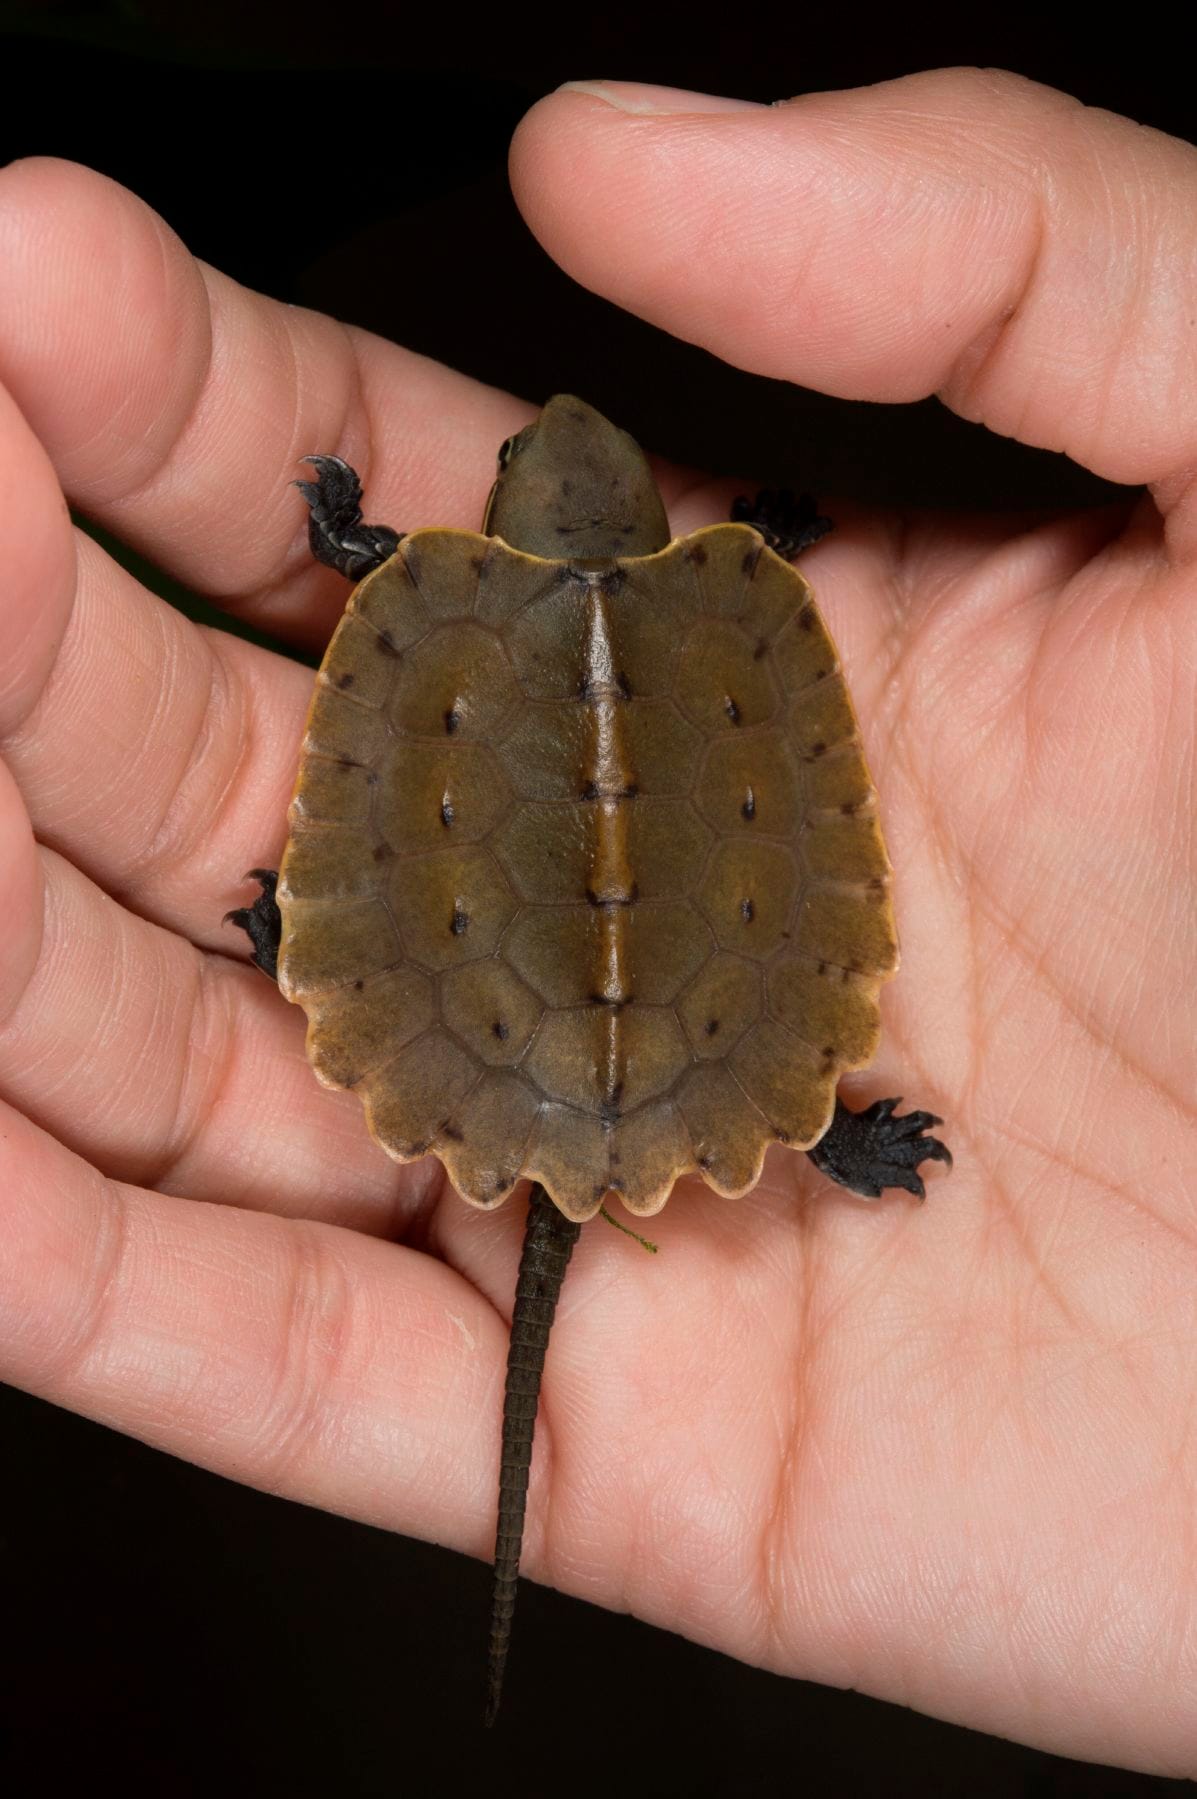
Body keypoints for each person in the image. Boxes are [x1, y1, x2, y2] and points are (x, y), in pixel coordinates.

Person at [0, 67, 1193, 1776]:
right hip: (676, 973)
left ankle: (312, 956)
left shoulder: (423, 588)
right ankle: (814, 1144)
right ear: (648, 512)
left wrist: (343, 533)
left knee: (387, 900)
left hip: (484, 992)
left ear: (503, 505)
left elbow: (378, 669)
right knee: (677, 970)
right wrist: (766, 529)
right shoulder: (740, 587)